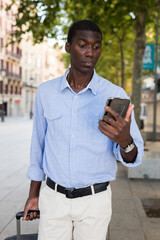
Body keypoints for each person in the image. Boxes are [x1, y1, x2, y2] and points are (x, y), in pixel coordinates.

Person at [23, 20, 144, 240]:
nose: (90, 52)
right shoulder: (45, 92)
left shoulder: (116, 94)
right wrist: (33, 196)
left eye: (96, 47)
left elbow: (133, 157)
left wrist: (125, 140)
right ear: (68, 47)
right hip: (53, 199)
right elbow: (38, 146)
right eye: (83, 45)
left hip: (94, 202)